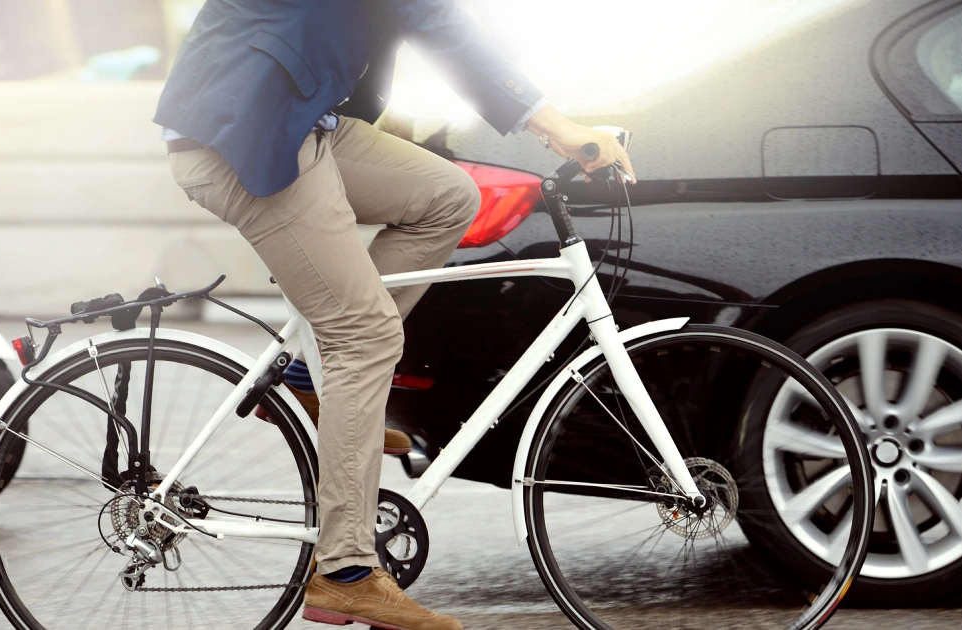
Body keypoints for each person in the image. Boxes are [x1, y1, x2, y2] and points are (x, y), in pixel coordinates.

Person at [154, 2, 634, 628]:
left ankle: (305, 376)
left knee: (447, 195)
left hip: (301, 119)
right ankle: (345, 571)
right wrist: (557, 126)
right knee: (364, 335)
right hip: (246, 132)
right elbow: (437, 22)